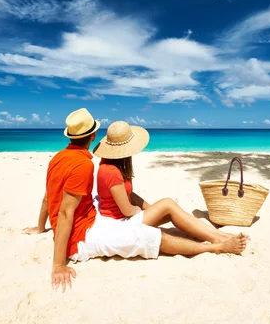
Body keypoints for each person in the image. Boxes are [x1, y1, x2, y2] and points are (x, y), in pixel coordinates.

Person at [23, 109, 248, 292]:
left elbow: (47, 197)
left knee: (160, 212)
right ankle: (216, 247)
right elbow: (64, 212)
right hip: (82, 237)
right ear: (93, 136)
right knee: (149, 237)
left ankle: (217, 237)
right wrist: (59, 264)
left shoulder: (59, 158)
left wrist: (42, 226)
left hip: (91, 223)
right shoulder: (83, 165)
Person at [93, 121, 247, 246]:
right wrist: (144, 211)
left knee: (172, 209)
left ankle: (219, 234)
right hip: (120, 223)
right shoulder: (111, 171)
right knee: (168, 204)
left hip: (124, 218)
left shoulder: (113, 165)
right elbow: (127, 211)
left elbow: (129, 194)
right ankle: (217, 238)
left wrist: (150, 208)